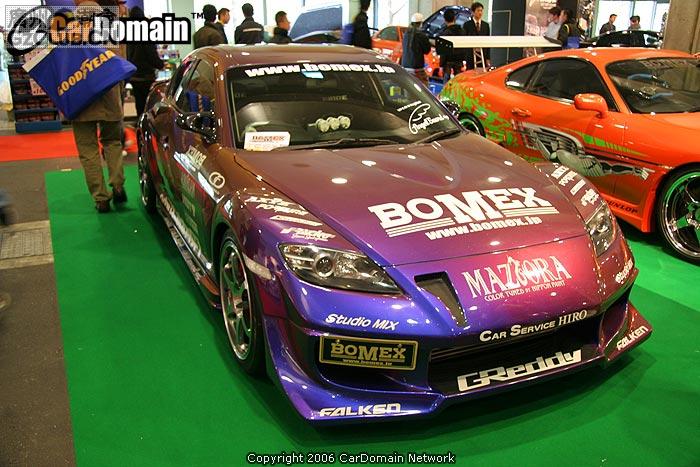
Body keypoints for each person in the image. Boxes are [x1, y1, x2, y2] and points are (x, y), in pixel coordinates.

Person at [70, 1, 126, 213]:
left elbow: (59, 68)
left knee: (88, 149)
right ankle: (118, 184)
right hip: (109, 94)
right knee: (112, 141)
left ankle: (101, 198)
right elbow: (122, 63)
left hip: (79, 95)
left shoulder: (66, 28)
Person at [127, 7, 164, 118]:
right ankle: (146, 124)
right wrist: (160, 65)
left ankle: (140, 121)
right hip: (146, 76)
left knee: (139, 104)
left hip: (133, 75)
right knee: (148, 105)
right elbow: (151, 54)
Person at [400, 12, 431, 86]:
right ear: (421, 23)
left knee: (408, 86)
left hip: (405, 66)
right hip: (417, 68)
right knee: (424, 87)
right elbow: (427, 50)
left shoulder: (406, 34)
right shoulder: (421, 35)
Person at [439, 9, 466, 84]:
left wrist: (441, 64)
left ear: (445, 20)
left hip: (447, 61)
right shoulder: (462, 31)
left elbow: (443, 51)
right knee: (458, 81)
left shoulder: (445, 33)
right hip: (459, 59)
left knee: (446, 82)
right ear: (454, 18)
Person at [463, 2, 490, 70]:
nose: (480, 13)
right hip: (470, 56)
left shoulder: (486, 25)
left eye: (481, 10)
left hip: (483, 55)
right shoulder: (467, 25)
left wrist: (488, 57)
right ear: (473, 12)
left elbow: (488, 42)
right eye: (478, 10)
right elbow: (464, 41)